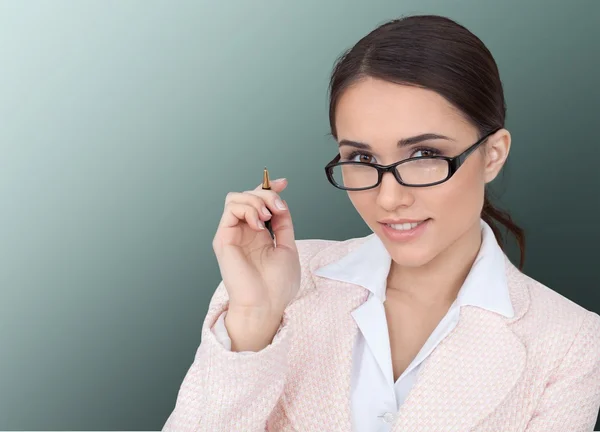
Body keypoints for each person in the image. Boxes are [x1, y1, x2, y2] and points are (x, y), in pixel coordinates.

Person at [162, 14, 600, 432]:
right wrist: (256, 318)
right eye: (362, 159)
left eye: (425, 155)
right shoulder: (273, 284)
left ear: (493, 154)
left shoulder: (571, 344)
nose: (389, 198)